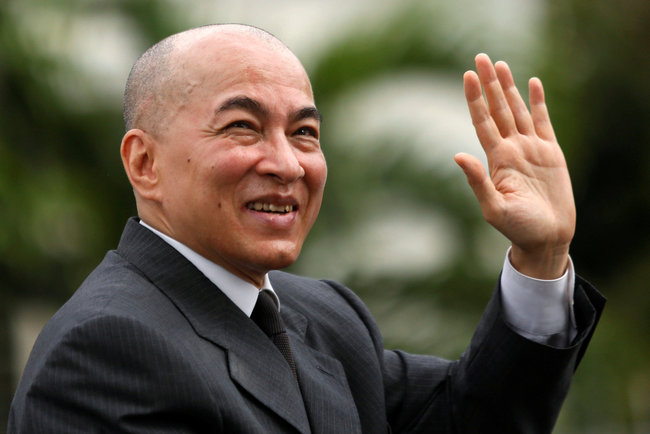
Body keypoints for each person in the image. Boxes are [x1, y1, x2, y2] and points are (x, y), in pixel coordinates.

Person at [8, 24, 604, 433]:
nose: (286, 164)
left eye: (304, 133)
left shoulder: (324, 316)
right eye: (242, 126)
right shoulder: (106, 351)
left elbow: (474, 419)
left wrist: (541, 255)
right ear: (144, 162)